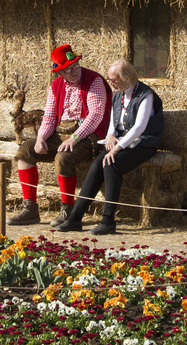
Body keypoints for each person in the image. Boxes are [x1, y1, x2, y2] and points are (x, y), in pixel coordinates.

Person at [55, 59, 165, 236]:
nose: (111, 83)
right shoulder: (117, 94)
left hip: (143, 142)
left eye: (114, 79)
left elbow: (139, 127)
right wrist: (110, 136)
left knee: (111, 164)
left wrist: (116, 148)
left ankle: (108, 220)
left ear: (126, 77)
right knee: (97, 166)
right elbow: (114, 120)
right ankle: (75, 218)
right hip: (122, 141)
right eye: (109, 79)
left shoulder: (146, 95)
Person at [17, 44, 108, 229]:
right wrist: (41, 137)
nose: (74, 72)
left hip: (88, 136)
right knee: (25, 151)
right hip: (60, 134)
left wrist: (75, 138)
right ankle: (30, 208)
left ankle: (68, 210)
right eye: (68, 69)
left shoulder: (94, 80)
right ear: (59, 72)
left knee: (63, 157)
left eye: (76, 66)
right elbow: (50, 116)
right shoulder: (56, 85)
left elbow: (96, 115)